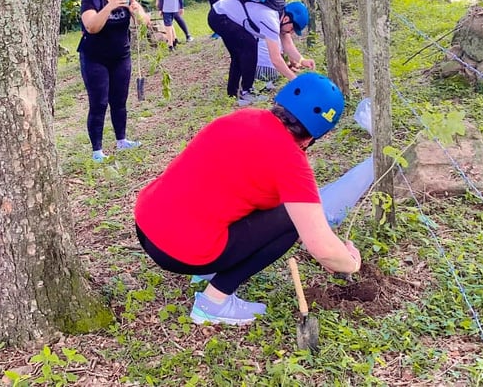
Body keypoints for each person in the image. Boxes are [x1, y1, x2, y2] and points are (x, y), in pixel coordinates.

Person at [135, 72, 366, 325]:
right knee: (290, 220)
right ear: (314, 137)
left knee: (269, 205)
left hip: (145, 223)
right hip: (179, 252)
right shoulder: (291, 163)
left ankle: (208, 270)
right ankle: (214, 303)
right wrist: (350, 263)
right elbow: (321, 247)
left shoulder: (242, 117)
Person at [78, 0, 151, 163]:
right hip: (95, 58)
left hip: (121, 56)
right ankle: (97, 151)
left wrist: (134, 8)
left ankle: (122, 140)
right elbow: (91, 26)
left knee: (119, 100)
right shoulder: (90, 0)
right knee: (99, 103)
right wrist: (111, 5)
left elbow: (144, 22)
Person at [208, 0, 316, 105]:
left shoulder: (280, 14)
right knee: (249, 46)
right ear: (287, 19)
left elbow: (287, 43)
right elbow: (276, 60)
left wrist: (302, 60)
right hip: (220, 16)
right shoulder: (271, 18)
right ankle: (247, 92)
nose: (291, 33)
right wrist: (295, 81)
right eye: (293, 29)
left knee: (239, 54)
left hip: (219, 12)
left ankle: (232, 93)